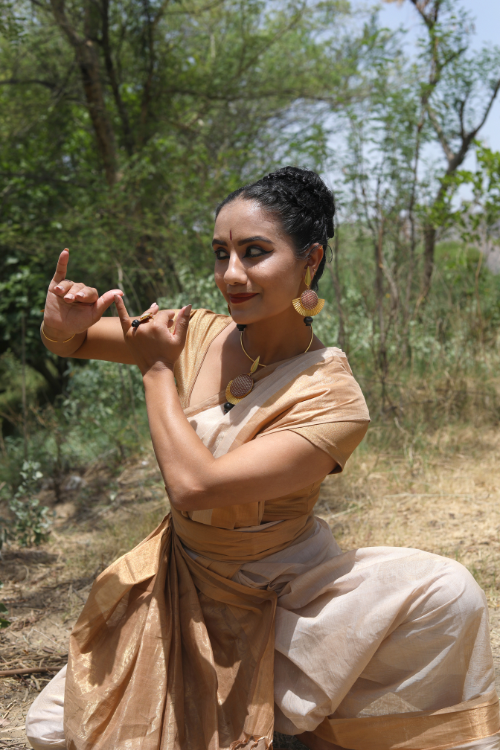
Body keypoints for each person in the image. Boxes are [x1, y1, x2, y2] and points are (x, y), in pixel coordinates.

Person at [26, 167, 499, 750]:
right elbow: (72, 342)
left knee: (447, 591)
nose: (232, 275)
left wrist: (155, 372)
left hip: (287, 596)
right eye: (220, 253)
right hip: (183, 587)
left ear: (310, 261)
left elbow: (196, 487)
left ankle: (292, 714)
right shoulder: (195, 334)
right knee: (52, 729)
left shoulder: (333, 396)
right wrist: (61, 320)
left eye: (254, 253)